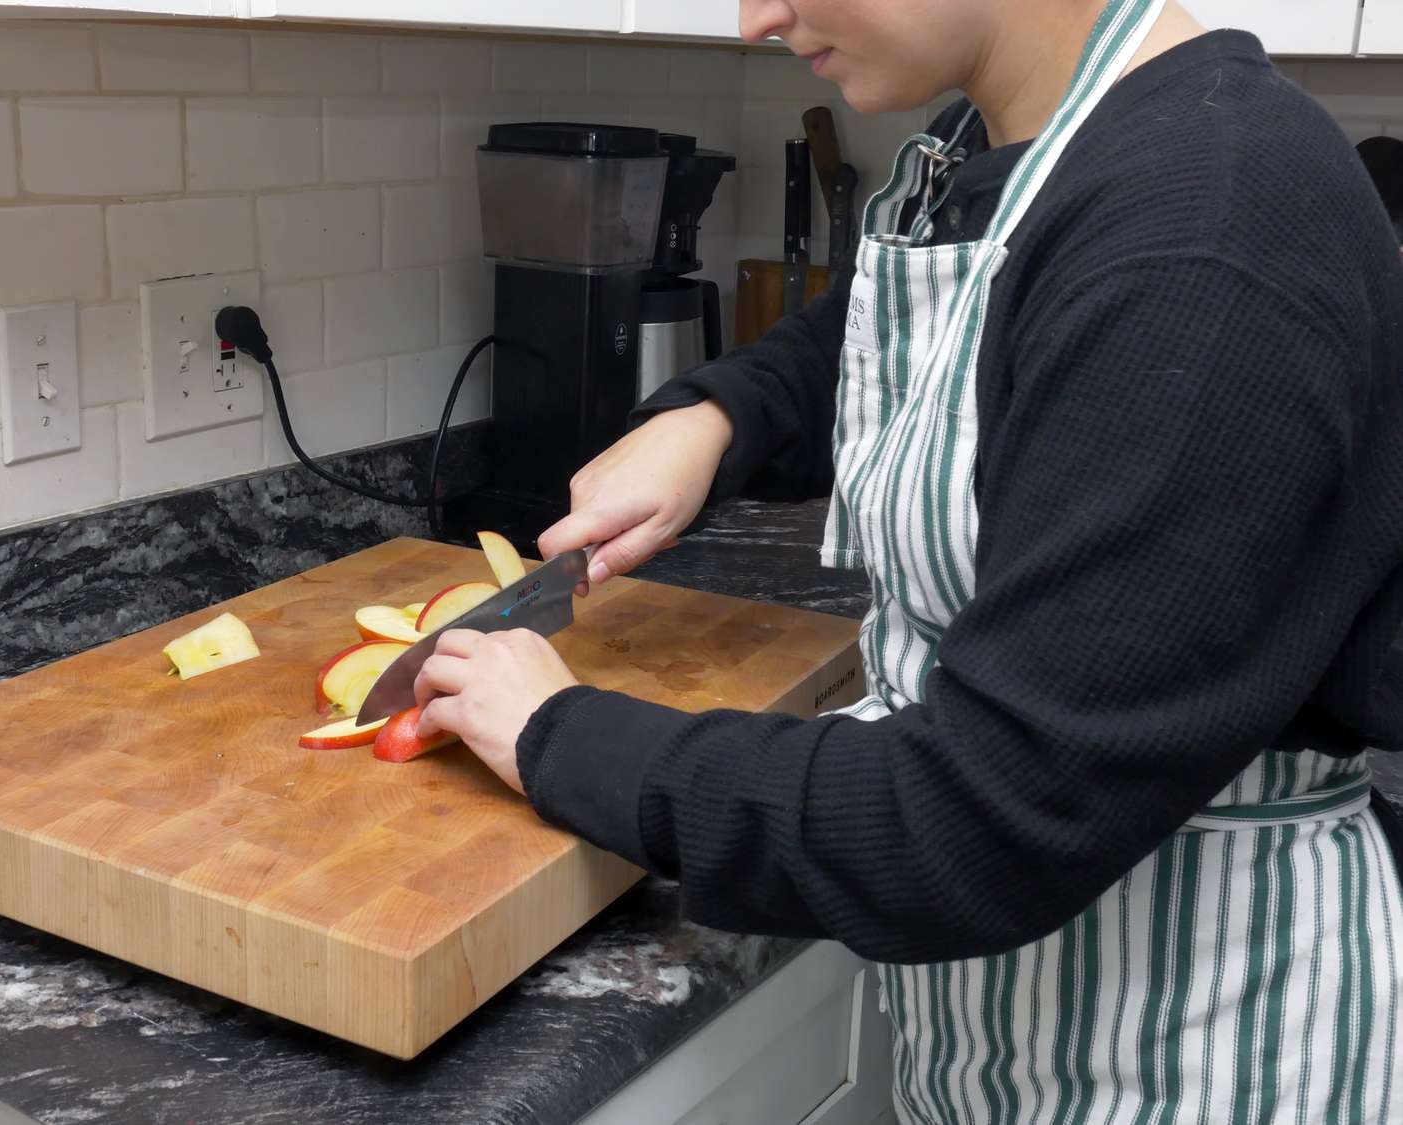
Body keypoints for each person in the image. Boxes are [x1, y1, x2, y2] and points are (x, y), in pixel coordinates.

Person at [412, 0, 1403, 1119]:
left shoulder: (1212, 222)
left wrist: (566, 736)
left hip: (1196, 1037)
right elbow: (905, 337)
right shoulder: (1022, 140)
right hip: (1023, 1019)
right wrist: (724, 414)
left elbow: (986, 824)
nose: (755, 20)